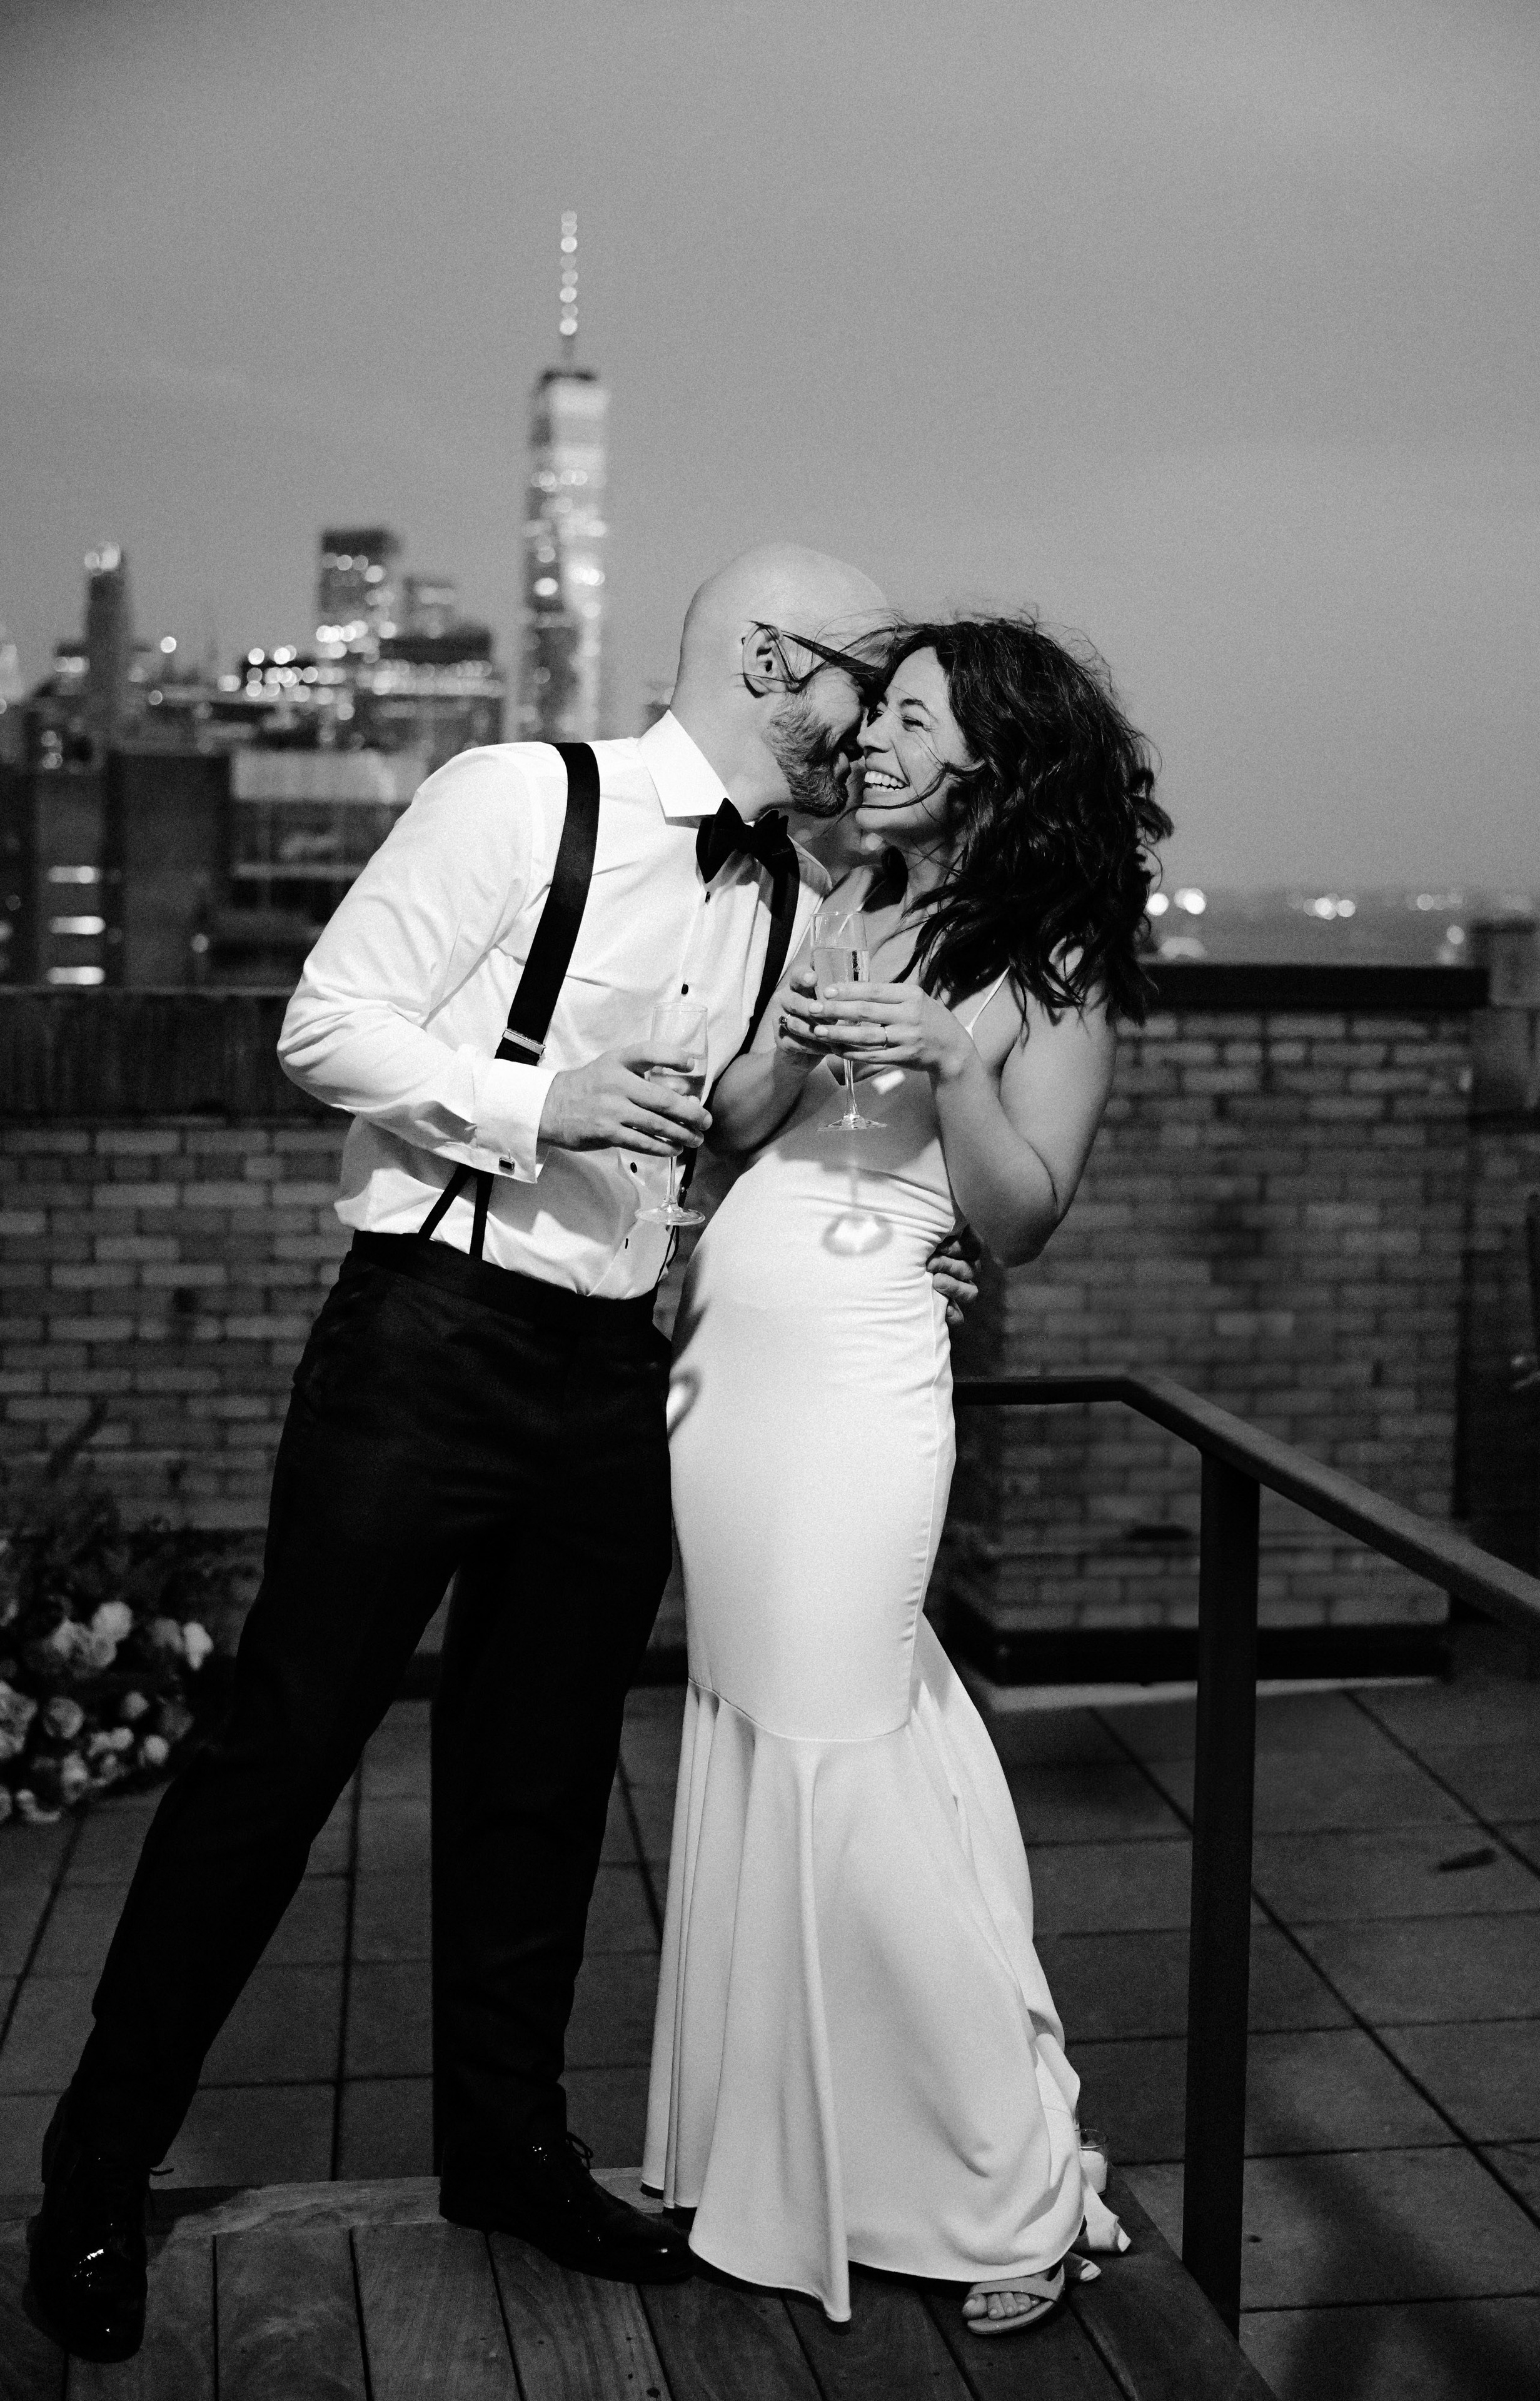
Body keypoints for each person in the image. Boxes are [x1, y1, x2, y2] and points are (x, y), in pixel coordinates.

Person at [28, 543, 980, 2365]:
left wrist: (888, 1198)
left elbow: (746, 1123)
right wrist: (534, 1103)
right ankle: (93, 2178)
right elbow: (324, 1022)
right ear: (781, 661)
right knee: (275, 1763)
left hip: (610, 1376)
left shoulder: (781, 886)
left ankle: (507, 2153)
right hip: (426, 1345)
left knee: (543, 1785)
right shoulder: (521, 797)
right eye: (864, 678)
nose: (868, 722)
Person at [644, 615, 1170, 2333]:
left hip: (869, 1371)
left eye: (907, 720)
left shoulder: (1060, 963)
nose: (869, 743)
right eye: (872, 719)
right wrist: (791, 1050)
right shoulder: (825, 890)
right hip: (730, 1378)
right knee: (784, 1735)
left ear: (992, 761)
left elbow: (1022, 1218)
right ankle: (792, 2161)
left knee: (847, 1757)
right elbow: (736, 1128)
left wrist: (949, 1064)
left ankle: (1003, 2193)